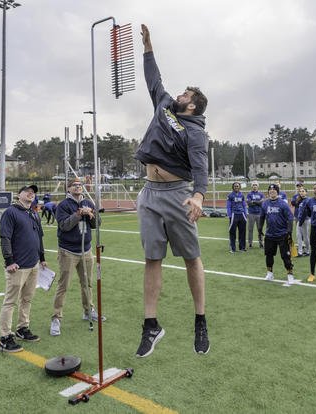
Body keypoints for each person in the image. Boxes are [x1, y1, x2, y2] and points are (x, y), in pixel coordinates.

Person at [133, 24, 210, 357]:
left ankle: (200, 320)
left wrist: (198, 196)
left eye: (186, 96)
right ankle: (151, 326)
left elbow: (200, 167)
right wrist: (148, 46)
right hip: (149, 193)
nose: (179, 95)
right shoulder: (163, 105)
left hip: (178, 194)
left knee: (192, 260)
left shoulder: (195, 132)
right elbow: (154, 78)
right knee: (152, 259)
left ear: (192, 106)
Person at [50, 179, 104, 336]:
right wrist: (78, 214)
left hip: (86, 250)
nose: (78, 187)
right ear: (68, 189)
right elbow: (64, 226)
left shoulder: (88, 202)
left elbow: (97, 224)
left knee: (87, 283)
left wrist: (91, 215)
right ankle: (56, 318)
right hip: (68, 251)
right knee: (63, 285)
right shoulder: (63, 205)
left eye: (80, 185)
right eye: (74, 185)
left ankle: (88, 311)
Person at [0, 184, 47, 353]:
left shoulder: (33, 213)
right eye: (28, 192)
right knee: (10, 301)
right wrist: (9, 260)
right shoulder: (10, 213)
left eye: (33, 193)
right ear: (19, 195)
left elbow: (38, 237)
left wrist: (42, 258)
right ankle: (5, 336)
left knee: (27, 299)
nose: (31, 194)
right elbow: (5, 237)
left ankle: (22, 328)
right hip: (17, 266)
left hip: (33, 265)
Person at [261, 184, 298, 286]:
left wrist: (289, 232)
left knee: (285, 256)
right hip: (269, 234)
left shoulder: (283, 204)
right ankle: (269, 273)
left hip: (282, 234)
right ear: (268, 192)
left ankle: (290, 275)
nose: (272, 191)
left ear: (277, 192)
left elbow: (290, 218)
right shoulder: (265, 204)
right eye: (270, 190)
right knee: (268, 255)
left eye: (274, 190)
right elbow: (262, 217)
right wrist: (260, 228)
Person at [299, 183, 316, 283]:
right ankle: (312, 274)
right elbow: (308, 213)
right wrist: (300, 223)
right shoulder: (310, 201)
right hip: (314, 228)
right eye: (314, 188)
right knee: (314, 251)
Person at [227, 182, 247, 253]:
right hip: (233, 215)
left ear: (239, 187)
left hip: (242, 215)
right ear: (233, 187)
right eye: (235, 186)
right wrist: (229, 215)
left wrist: (245, 213)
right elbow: (228, 206)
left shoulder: (242, 195)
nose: (236, 187)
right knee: (232, 232)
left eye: (237, 186)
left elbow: (244, 205)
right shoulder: (230, 195)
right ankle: (233, 248)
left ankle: (242, 248)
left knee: (242, 232)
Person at [246, 181, 265, 248]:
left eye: (256, 185)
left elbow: (261, 203)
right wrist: (258, 202)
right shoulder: (249, 194)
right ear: (252, 186)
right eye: (253, 185)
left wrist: (253, 201)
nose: (254, 186)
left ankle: (261, 243)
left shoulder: (261, 194)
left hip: (259, 214)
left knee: (260, 229)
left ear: (258, 186)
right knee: (250, 229)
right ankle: (250, 243)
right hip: (251, 214)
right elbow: (249, 203)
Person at [294, 186, 310, 256]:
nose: (301, 192)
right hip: (300, 220)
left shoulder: (308, 200)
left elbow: (306, 212)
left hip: (305, 220)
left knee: (305, 236)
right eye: (300, 191)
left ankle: (307, 251)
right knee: (298, 235)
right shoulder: (300, 199)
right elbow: (294, 204)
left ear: (306, 192)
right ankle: (300, 252)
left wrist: (301, 221)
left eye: (303, 191)